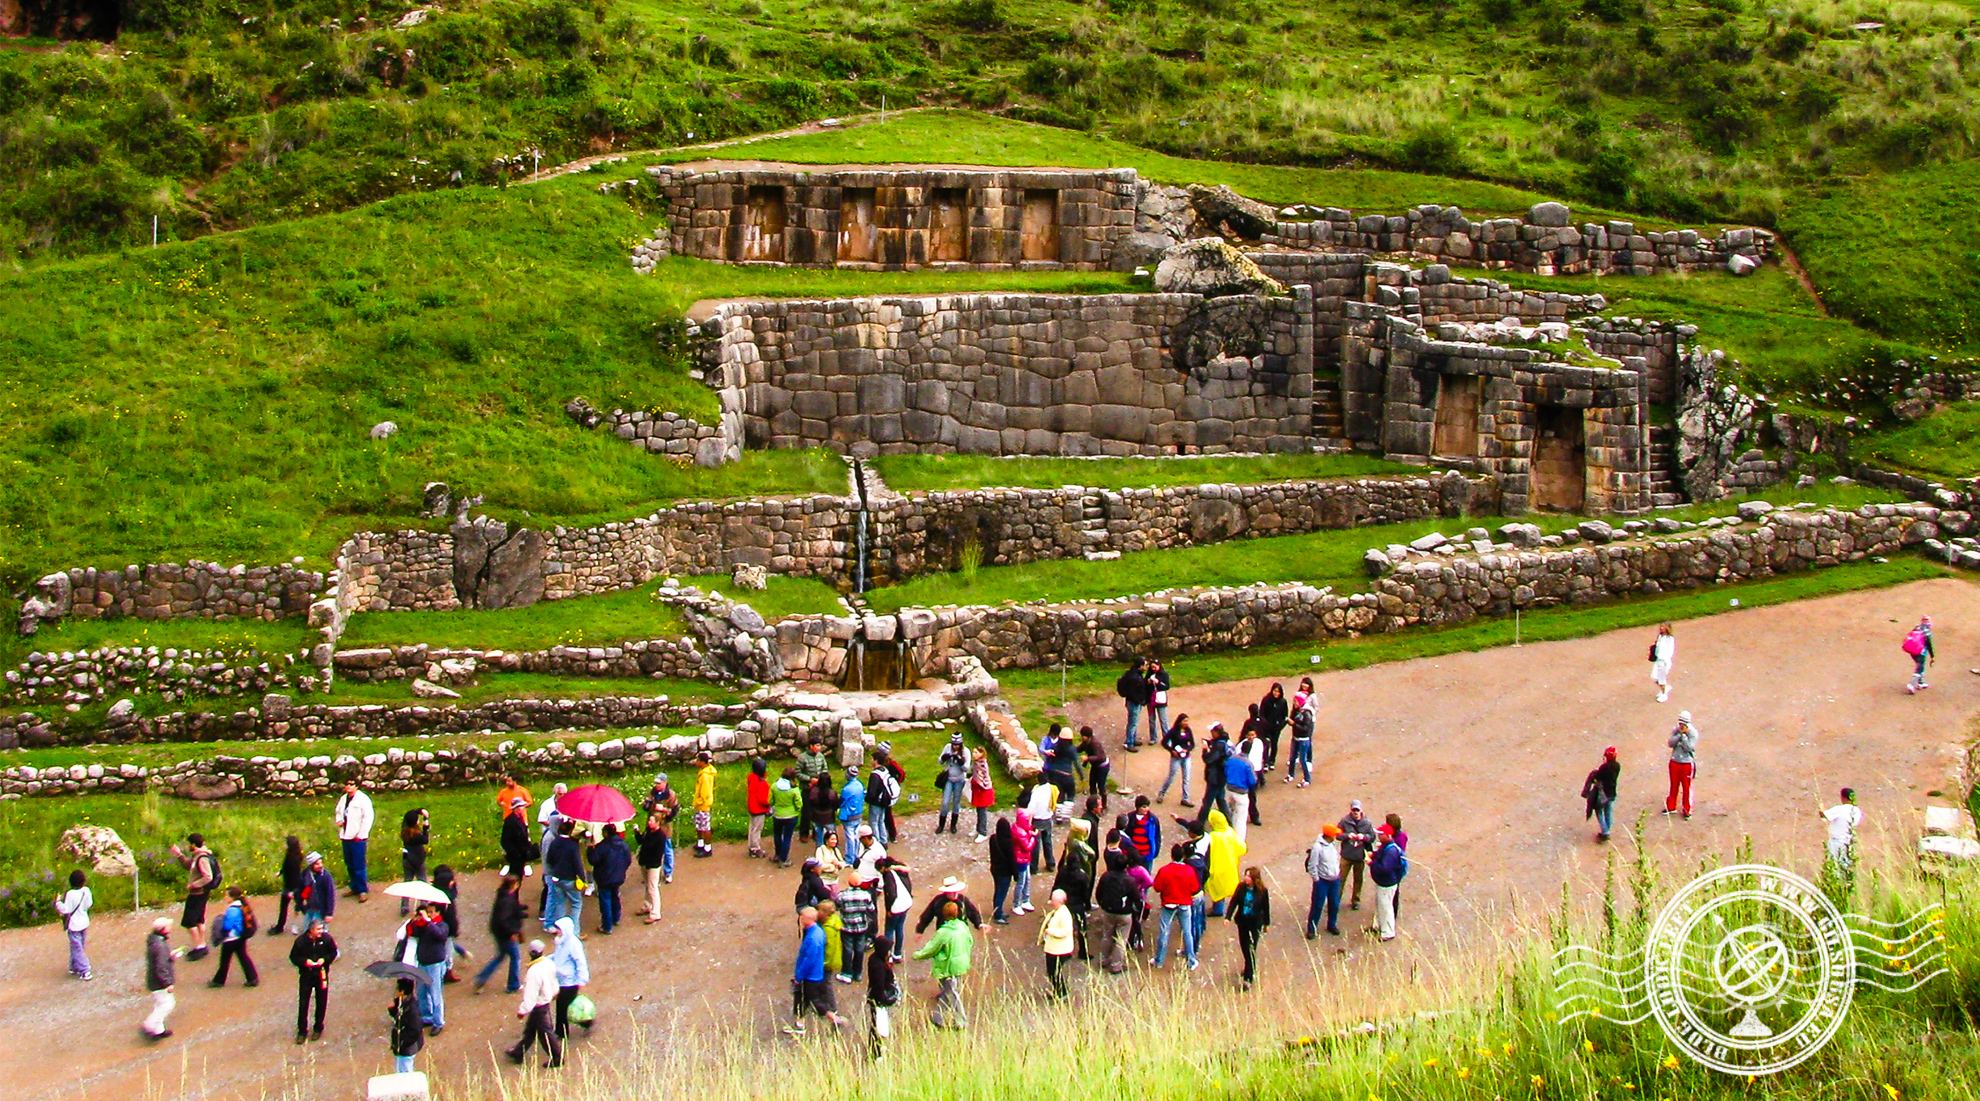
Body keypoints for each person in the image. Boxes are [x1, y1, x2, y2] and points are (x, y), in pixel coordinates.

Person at [913, 901, 973, 1029]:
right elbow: (970, 941)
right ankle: (938, 1017)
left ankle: (961, 1021)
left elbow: (931, 949)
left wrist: (917, 955)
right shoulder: (963, 926)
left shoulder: (943, 932)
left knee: (952, 993)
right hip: (961, 963)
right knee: (948, 991)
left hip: (948, 966)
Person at [786, 906, 847, 1035]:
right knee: (808, 999)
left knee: (810, 999)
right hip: (815, 972)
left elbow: (808, 959)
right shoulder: (818, 931)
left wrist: (799, 976)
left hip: (810, 975)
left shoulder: (813, 937)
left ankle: (829, 1019)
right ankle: (801, 1022)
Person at [506, 939, 562, 1068]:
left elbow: (530, 994)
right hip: (546, 1001)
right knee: (530, 1030)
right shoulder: (548, 963)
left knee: (545, 1034)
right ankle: (518, 1051)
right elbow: (554, 981)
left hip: (538, 1005)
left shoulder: (533, 971)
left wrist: (523, 1010)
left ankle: (557, 1057)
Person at [168, 832, 218, 959]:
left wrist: (193, 885)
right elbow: (189, 866)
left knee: (189, 922)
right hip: (202, 893)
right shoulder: (199, 856)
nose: (188, 846)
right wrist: (179, 855)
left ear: (193, 845)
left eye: (189, 844)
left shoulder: (202, 858)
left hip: (197, 894)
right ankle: (202, 944)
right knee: (199, 920)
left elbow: (208, 876)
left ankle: (199, 947)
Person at [474, 874, 527, 993]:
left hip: (499, 932)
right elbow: (504, 919)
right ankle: (513, 984)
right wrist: (512, 932)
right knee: (515, 956)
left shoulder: (503, 896)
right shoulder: (508, 900)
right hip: (506, 934)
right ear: (513, 885)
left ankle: (482, 977)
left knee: (500, 956)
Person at [1151, 843, 1200, 970]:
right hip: (1184, 904)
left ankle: (1159, 961)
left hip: (1169, 904)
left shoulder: (1164, 870)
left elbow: (1157, 887)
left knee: (1164, 932)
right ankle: (1191, 960)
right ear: (1183, 856)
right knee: (1187, 932)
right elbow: (1194, 889)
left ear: (1172, 856)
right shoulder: (1189, 870)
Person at [290, 917, 338, 1043]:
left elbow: (333, 952)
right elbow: (294, 957)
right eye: (318, 929)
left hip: (321, 975)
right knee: (303, 1003)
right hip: (306, 975)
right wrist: (305, 962)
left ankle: (318, 1027)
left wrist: (325, 960)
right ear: (311, 930)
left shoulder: (327, 939)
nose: (321, 931)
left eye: (321, 929)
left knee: (321, 1001)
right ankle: (302, 1031)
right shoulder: (301, 941)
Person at [406, 901, 451, 1033]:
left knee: (435, 993)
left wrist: (428, 922)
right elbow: (413, 933)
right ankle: (426, 1017)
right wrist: (414, 921)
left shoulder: (442, 925)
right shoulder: (426, 925)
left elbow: (440, 935)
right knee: (421, 993)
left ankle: (438, 1021)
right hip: (423, 962)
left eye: (431, 912)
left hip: (435, 964)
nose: (429, 914)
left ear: (438, 913)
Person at [1090, 851, 1137, 975]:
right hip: (1124, 913)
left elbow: (1098, 892)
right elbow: (1137, 897)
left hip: (1109, 910)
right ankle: (1116, 965)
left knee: (1107, 935)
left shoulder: (1106, 876)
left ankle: (1103, 960)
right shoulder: (1129, 880)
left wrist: (1103, 904)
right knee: (1121, 940)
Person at [1228, 866, 1271, 987]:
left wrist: (1267, 923)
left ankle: (1248, 977)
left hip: (1255, 923)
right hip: (1243, 922)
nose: (1245, 878)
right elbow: (1234, 902)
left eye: (1248, 876)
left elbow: (1266, 908)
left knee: (1251, 949)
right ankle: (1249, 967)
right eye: (1245, 875)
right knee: (1244, 946)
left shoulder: (1262, 891)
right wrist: (1228, 917)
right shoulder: (1241, 888)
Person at [210, 886, 260, 987]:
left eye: (226, 895)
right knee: (243, 957)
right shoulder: (242, 906)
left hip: (231, 938)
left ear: (232, 897)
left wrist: (222, 934)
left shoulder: (232, 910)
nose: (224, 897)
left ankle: (219, 981)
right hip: (240, 937)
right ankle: (252, 978)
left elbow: (227, 926)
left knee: (225, 960)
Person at [334, 779, 375, 902]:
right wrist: (339, 820)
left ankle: (362, 889)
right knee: (349, 863)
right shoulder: (343, 799)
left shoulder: (363, 799)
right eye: (347, 784)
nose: (348, 787)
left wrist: (362, 834)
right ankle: (354, 886)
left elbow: (368, 817)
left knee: (359, 864)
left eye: (351, 785)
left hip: (357, 837)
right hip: (346, 836)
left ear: (356, 786)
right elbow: (338, 811)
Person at [587, 824, 632, 935]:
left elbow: (593, 861)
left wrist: (590, 850)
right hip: (617, 877)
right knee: (615, 896)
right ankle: (616, 918)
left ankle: (607, 926)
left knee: (605, 900)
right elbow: (628, 860)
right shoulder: (623, 845)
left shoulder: (602, 847)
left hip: (604, 878)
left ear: (606, 833)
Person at [550, 916, 589, 1040]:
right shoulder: (562, 942)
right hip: (563, 981)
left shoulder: (573, 944)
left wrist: (582, 979)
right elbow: (557, 957)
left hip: (569, 982)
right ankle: (584, 1022)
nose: (557, 931)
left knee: (563, 1006)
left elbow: (580, 962)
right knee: (568, 1005)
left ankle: (561, 1032)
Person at [1202, 809, 1244, 920]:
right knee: (1223, 888)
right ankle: (1219, 907)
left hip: (1216, 867)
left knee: (1216, 889)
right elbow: (1242, 848)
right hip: (1230, 865)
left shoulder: (1213, 837)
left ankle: (1218, 910)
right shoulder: (1230, 832)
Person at [542, 820, 584, 930]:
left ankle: (561, 929)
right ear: (570, 831)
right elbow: (577, 864)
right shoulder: (572, 845)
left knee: (560, 903)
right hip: (569, 878)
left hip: (556, 877)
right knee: (576, 904)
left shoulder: (554, 842)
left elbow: (549, 859)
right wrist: (582, 878)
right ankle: (575, 931)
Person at [1369, 823, 1407, 942]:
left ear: (1387, 835)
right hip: (1384, 882)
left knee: (1386, 907)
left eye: (1381, 834)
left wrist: (1371, 863)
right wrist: (1374, 855)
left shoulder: (1391, 851)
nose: (1379, 836)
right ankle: (1380, 925)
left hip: (1387, 883)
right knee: (1381, 905)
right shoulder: (1387, 847)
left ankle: (1388, 932)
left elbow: (1384, 868)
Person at [837, 875, 877, 984]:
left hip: (846, 927)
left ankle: (847, 973)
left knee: (847, 950)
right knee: (859, 950)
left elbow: (837, 906)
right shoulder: (866, 895)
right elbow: (871, 909)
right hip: (862, 927)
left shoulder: (842, 895)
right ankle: (857, 973)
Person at [1305, 824, 1343, 938]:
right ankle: (1312, 928)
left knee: (1334, 903)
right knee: (1317, 905)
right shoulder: (1318, 847)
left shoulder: (1332, 845)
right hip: (1322, 881)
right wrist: (1316, 880)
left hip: (1334, 880)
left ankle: (1332, 924)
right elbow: (1313, 865)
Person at [641, 774, 680, 883]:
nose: (656, 785)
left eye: (659, 783)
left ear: (665, 783)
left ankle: (668, 873)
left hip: (664, 827)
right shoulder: (651, 793)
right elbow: (645, 807)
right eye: (656, 783)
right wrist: (647, 805)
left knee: (667, 850)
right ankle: (650, 872)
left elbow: (674, 812)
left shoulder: (671, 795)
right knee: (649, 848)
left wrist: (664, 810)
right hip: (652, 826)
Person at [142, 917, 177, 1040]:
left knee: (160, 1003)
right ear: (163, 929)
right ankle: (150, 1025)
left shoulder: (154, 941)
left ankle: (158, 1030)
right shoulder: (160, 945)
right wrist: (167, 983)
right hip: (159, 982)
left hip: (154, 980)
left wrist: (169, 957)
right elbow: (161, 966)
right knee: (167, 1004)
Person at [866, 933, 899, 1061]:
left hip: (875, 998)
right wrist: (884, 1000)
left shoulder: (874, 959)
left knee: (877, 1024)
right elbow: (879, 985)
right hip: (878, 1000)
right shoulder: (878, 966)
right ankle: (875, 1052)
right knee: (876, 1026)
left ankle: (878, 1048)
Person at [1338, 802, 1376, 910]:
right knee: (1340, 879)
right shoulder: (1344, 822)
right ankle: (1336, 900)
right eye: (1353, 810)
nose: (1355, 813)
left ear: (1361, 810)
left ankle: (1356, 900)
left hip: (1359, 856)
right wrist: (1346, 836)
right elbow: (1337, 835)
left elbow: (1372, 837)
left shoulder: (1367, 823)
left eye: (1357, 810)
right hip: (1346, 855)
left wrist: (1364, 837)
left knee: (1358, 879)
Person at [915, 875, 985, 933]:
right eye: (951, 892)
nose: (954, 894)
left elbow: (973, 913)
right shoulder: (938, 901)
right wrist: (920, 930)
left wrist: (979, 924)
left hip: (960, 932)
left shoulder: (963, 900)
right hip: (943, 932)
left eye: (955, 891)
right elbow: (927, 915)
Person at [56, 869, 92, 980]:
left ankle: (85, 970)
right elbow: (89, 904)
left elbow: (66, 909)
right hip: (84, 922)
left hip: (74, 925)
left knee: (77, 948)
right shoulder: (86, 891)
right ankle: (74, 966)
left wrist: (57, 902)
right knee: (79, 946)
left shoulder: (70, 894)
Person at [1040, 889, 1077, 998]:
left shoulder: (1064, 914)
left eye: (1053, 900)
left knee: (1054, 972)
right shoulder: (1059, 910)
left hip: (1059, 950)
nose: (1051, 902)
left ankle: (1062, 993)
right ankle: (1059, 991)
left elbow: (1065, 931)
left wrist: (1050, 931)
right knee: (1053, 972)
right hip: (1054, 948)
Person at [635, 809, 669, 923]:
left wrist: (650, 863)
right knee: (647, 886)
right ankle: (647, 906)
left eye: (652, 821)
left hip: (653, 865)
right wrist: (637, 832)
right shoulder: (648, 831)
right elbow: (642, 841)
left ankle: (655, 912)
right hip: (644, 863)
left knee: (653, 888)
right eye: (649, 820)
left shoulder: (660, 836)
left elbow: (658, 854)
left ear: (658, 823)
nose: (649, 822)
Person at [1195, 724, 1232, 826]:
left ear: (1216, 732)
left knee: (1208, 801)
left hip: (1215, 777)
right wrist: (1210, 741)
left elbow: (1208, 759)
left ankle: (1199, 823)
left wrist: (1205, 750)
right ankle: (1229, 821)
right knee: (1220, 800)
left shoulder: (1219, 746)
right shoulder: (1224, 741)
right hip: (1221, 776)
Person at [1225, 733, 1259, 842]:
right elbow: (1252, 781)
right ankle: (1239, 841)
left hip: (1230, 789)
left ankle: (1229, 834)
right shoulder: (1248, 764)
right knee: (1240, 819)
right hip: (1241, 792)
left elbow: (1226, 771)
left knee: (1232, 813)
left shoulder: (1231, 759)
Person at [878, 857, 914, 961]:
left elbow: (891, 894)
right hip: (906, 903)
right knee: (899, 928)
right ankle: (897, 954)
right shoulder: (900, 873)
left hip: (896, 907)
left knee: (889, 930)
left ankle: (888, 954)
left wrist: (889, 909)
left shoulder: (888, 876)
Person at [1583, 746, 1621, 842]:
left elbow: (1598, 777)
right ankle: (1607, 828)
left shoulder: (1604, 767)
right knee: (1608, 811)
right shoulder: (1617, 766)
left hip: (1602, 793)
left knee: (1599, 811)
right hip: (1612, 793)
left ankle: (1605, 832)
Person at [1157, 713, 1196, 806]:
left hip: (1186, 756)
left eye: (1187, 721)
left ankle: (1185, 798)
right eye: (1184, 721)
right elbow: (1164, 742)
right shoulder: (1173, 731)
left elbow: (1192, 744)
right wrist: (1171, 751)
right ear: (1179, 722)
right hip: (1176, 757)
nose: (1187, 723)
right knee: (1171, 776)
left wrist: (1187, 750)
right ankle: (1162, 793)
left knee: (1186, 777)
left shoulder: (1188, 731)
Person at [1665, 711, 1698, 819]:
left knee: (1686, 787)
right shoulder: (1676, 730)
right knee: (1673, 785)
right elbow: (1670, 743)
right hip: (1675, 761)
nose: (1681, 725)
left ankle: (1687, 810)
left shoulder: (1693, 733)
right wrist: (1679, 735)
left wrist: (1684, 737)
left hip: (1687, 763)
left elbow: (1689, 747)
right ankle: (1671, 806)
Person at [388, 979, 425, 1074]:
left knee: (406, 1073)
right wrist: (393, 1010)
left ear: (402, 992)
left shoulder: (412, 1009)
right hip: (402, 1047)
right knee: (400, 1070)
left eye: (397, 989)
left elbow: (415, 1030)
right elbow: (399, 1016)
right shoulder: (403, 1002)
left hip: (406, 1048)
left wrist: (402, 1043)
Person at [398, 808, 430, 917]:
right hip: (418, 860)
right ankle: (424, 905)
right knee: (423, 882)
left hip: (407, 859)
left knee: (407, 882)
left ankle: (404, 906)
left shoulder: (404, 831)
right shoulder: (417, 836)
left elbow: (408, 814)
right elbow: (425, 840)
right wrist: (426, 825)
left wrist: (418, 811)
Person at [866, 747, 901, 845]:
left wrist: (867, 798)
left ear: (876, 761)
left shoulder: (875, 775)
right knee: (881, 821)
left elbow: (872, 792)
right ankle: (884, 840)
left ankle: (876, 843)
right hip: (884, 800)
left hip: (876, 802)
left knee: (874, 822)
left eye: (872, 759)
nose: (871, 761)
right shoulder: (885, 770)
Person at [937, 734, 970, 835]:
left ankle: (953, 825)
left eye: (957, 745)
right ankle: (941, 825)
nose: (955, 747)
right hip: (949, 779)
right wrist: (945, 757)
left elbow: (966, 768)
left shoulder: (966, 752)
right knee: (945, 802)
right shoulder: (947, 747)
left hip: (959, 780)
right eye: (954, 744)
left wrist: (959, 761)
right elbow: (940, 761)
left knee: (956, 802)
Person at [771, 767, 803, 866]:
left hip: (777, 815)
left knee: (777, 835)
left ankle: (777, 854)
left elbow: (770, 801)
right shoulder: (794, 789)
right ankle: (783, 859)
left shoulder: (774, 786)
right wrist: (797, 810)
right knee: (787, 837)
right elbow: (799, 803)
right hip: (791, 816)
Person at [1824, 787, 1863, 870]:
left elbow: (1825, 815)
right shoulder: (1857, 811)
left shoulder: (1840, 809)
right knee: (1846, 867)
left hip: (1836, 841)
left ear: (1843, 797)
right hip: (1849, 842)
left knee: (1833, 867)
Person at [1025, 778, 1058, 874]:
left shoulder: (1036, 792)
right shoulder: (1051, 788)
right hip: (1047, 818)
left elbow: (1031, 808)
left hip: (1037, 820)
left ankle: (1033, 867)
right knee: (1047, 841)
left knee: (1035, 844)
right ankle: (1050, 863)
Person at [1117, 657, 1151, 751]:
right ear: (1140, 666)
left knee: (1134, 722)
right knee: (1133, 723)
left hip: (1134, 702)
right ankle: (1129, 743)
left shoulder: (1134, 674)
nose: (1146, 667)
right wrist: (1139, 701)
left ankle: (1132, 739)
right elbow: (1132, 692)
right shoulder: (1134, 677)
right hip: (1134, 703)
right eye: (1145, 665)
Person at [273, 835, 305, 936]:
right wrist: (280, 872)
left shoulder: (292, 859)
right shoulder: (293, 855)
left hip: (291, 886)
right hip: (293, 885)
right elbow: (286, 867)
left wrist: (291, 891)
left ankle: (279, 927)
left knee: (285, 906)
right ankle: (313, 919)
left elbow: (293, 875)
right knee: (300, 904)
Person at [989, 817, 1018, 923]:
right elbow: (1012, 860)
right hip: (1005, 873)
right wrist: (1016, 874)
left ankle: (998, 910)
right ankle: (998, 915)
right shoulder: (1008, 842)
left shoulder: (993, 838)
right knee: (1002, 893)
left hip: (995, 870)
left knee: (997, 891)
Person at [691, 750, 719, 858]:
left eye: (698, 761)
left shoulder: (705, 776)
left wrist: (700, 801)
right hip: (699, 804)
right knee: (699, 825)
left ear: (703, 762)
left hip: (703, 805)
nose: (696, 762)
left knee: (705, 827)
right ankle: (700, 843)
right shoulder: (704, 772)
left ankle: (707, 848)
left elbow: (705, 792)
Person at [299, 849, 336, 927]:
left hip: (321, 909)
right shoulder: (306, 874)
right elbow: (304, 888)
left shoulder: (325, 876)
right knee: (307, 930)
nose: (320, 865)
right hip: (310, 908)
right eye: (316, 864)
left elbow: (330, 895)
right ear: (311, 865)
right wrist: (301, 901)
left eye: (320, 863)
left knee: (319, 931)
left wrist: (329, 913)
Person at [500, 797, 535, 879]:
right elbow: (505, 839)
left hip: (520, 854)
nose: (523, 808)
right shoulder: (510, 821)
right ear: (516, 808)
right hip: (516, 855)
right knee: (515, 877)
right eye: (521, 806)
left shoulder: (518, 818)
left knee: (518, 877)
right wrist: (515, 853)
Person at [1078, 726, 1111, 810]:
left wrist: (1088, 759)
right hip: (1095, 766)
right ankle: (1093, 805)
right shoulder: (1086, 742)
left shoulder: (1095, 744)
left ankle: (1103, 806)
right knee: (1092, 785)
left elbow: (1100, 757)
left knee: (1101, 787)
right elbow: (1079, 749)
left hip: (1102, 767)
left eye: (1083, 736)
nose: (1081, 737)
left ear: (1087, 736)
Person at [746, 757, 773, 859]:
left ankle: (751, 846)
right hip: (759, 810)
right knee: (757, 829)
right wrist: (769, 805)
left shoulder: (751, 777)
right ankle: (755, 849)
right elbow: (763, 800)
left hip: (752, 807)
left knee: (752, 828)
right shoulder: (762, 784)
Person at [806, 770, 841, 848]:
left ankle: (820, 853)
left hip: (816, 817)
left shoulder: (813, 792)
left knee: (819, 838)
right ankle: (834, 852)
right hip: (829, 818)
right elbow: (836, 805)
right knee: (832, 837)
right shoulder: (832, 793)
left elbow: (810, 803)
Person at [1258, 683, 1289, 769]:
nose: (1276, 693)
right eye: (1275, 691)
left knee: (1274, 744)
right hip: (1267, 727)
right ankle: (1265, 762)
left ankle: (1272, 761)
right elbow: (1262, 713)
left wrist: (1280, 726)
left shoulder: (1283, 702)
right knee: (1266, 744)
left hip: (1276, 728)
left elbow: (1285, 716)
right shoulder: (1266, 700)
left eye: (1278, 692)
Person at [840, 765, 869, 859]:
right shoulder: (860, 785)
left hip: (849, 816)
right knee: (856, 835)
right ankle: (856, 855)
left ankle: (850, 858)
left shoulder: (846, 789)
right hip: (859, 814)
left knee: (850, 837)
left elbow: (841, 802)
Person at [968, 749, 996, 842]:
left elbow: (982, 778)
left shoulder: (982, 765)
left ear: (982, 754)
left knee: (982, 812)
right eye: (973, 752)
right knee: (979, 811)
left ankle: (983, 832)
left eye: (976, 752)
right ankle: (978, 828)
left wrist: (975, 782)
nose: (974, 754)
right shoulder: (976, 763)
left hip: (983, 791)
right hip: (978, 791)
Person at [1285, 698, 1315, 786]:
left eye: (1296, 701)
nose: (1294, 703)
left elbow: (1305, 729)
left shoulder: (1307, 713)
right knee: (1292, 757)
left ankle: (1307, 779)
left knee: (1302, 759)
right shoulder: (1295, 712)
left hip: (1304, 740)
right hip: (1295, 738)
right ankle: (1290, 774)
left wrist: (1294, 724)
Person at [1904, 615, 1935, 694]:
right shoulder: (1927, 631)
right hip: (1920, 651)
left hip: (1912, 651)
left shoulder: (1917, 627)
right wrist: (1932, 656)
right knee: (1920, 667)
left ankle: (1921, 683)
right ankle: (1911, 684)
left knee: (1920, 664)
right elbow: (1929, 644)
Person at [1145, 659, 1172, 738]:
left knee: (1163, 719)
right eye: (1152, 667)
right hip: (1150, 699)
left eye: (1155, 667)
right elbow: (1145, 685)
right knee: (1151, 720)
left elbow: (1166, 686)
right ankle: (1153, 737)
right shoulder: (1149, 674)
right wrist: (1148, 682)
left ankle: (1166, 737)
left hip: (1160, 699)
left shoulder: (1164, 674)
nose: (1153, 669)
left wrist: (1158, 682)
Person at [1650, 622, 1676, 703]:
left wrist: (1666, 661)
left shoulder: (1670, 639)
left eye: (1663, 627)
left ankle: (1664, 694)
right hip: (1658, 660)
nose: (1661, 628)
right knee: (1654, 677)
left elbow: (1670, 651)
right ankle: (1665, 688)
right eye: (1661, 626)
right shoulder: (1660, 637)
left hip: (1664, 661)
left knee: (1662, 678)